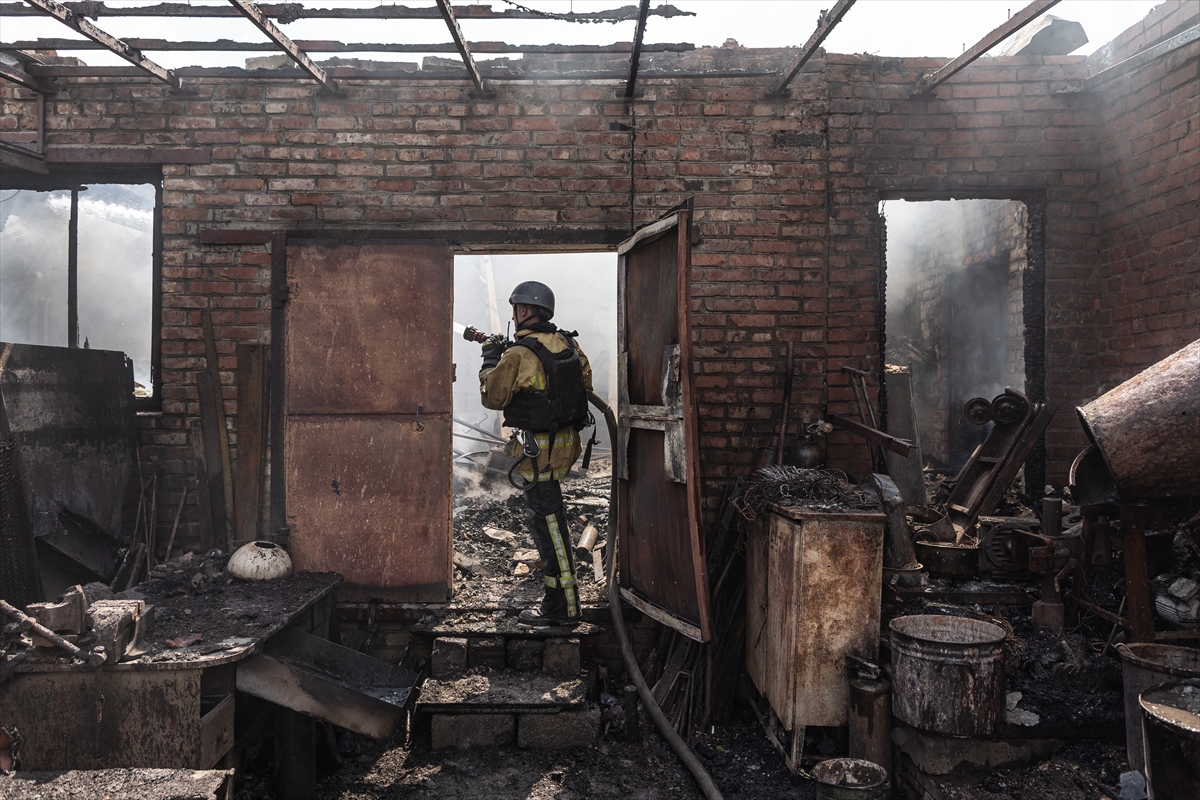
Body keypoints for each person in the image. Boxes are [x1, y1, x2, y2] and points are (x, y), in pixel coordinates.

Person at [479, 281, 594, 626]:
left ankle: (563, 609)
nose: (514, 317)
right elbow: (585, 383)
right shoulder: (568, 342)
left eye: (516, 310)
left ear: (525, 311)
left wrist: (489, 360)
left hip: (537, 455)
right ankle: (562, 601)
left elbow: (492, 398)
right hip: (565, 447)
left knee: (550, 528)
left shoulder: (517, 355)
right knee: (547, 522)